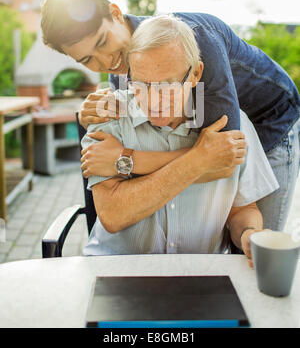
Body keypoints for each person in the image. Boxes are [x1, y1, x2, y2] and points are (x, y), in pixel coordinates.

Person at [41, 0, 300, 231]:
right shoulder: (119, 69)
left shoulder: (192, 43)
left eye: (102, 42)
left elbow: (221, 163)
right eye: (87, 59)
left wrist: (124, 160)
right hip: (228, 128)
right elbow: (195, 157)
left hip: (272, 117)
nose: (106, 61)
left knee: (257, 242)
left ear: (116, 14)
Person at [80, 14, 278, 263]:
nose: (153, 101)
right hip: (115, 270)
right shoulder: (108, 115)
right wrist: (199, 159)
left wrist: (249, 233)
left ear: (195, 74)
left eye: (168, 85)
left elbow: (242, 209)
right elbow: (113, 215)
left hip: (201, 275)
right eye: (141, 85)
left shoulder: (235, 127)